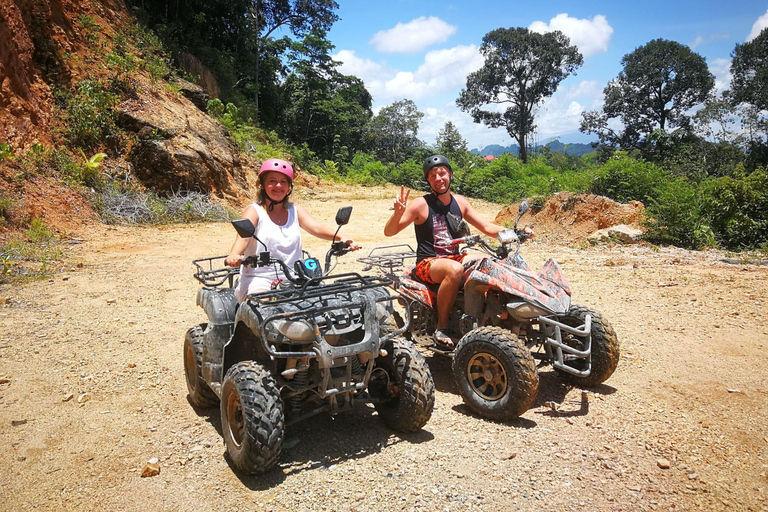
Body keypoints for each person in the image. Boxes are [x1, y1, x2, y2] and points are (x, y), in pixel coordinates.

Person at [384, 154, 532, 349]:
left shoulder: (459, 202)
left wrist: (515, 232)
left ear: (450, 174)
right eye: (432, 176)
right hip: (429, 262)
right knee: (454, 270)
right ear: (428, 180)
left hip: (454, 256)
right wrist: (397, 213)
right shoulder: (421, 204)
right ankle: (442, 325)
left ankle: (500, 311)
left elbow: (486, 227)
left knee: (491, 261)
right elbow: (390, 231)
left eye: (442, 173)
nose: (438, 179)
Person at [226, 158, 359, 302]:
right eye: (272, 181)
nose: (278, 186)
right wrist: (234, 255)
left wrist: (341, 237)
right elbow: (243, 238)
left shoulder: (294, 210)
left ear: (289, 186)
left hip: (295, 277)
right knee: (264, 304)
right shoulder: (254, 211)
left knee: (324, 301)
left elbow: (316, 227)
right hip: (259, 278)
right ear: (263, 185)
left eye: (283, 181)